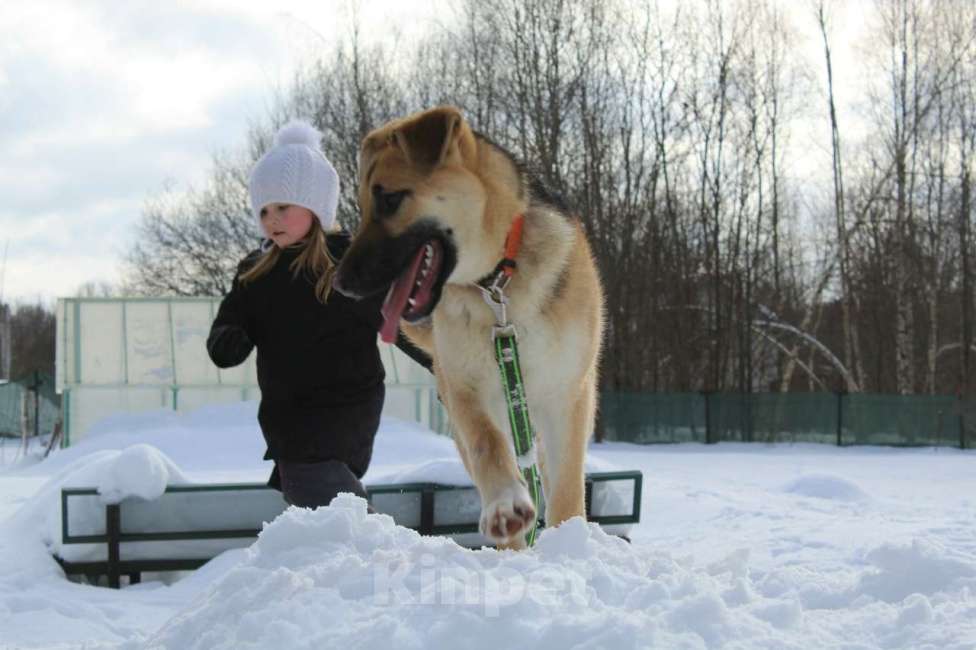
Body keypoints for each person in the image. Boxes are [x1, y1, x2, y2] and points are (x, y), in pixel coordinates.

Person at [206, 120, 431, 509]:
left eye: (282, 207)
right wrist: (230, 338)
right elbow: (227, 327)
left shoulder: (350, 262)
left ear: (315, 206)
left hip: (349, 405)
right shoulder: (254, 273)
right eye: (263, 210)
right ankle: (356, 553)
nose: (271, 219)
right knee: (314, 494)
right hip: (288, 412)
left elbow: (398, 319)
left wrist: (440, 363)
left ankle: (371, 550)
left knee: (318, 489)